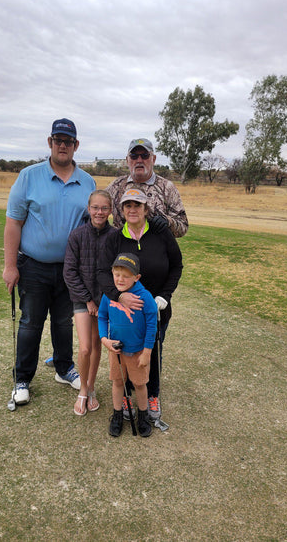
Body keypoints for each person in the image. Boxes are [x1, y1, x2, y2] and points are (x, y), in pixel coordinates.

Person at [3, 118, 96, 405]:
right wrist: (10, 266)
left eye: (68, 141)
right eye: (58, 140)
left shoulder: (88, 182)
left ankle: (64, 368)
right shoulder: (29, 176)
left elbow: (92, 226)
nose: (63, 145)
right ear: (50, 143)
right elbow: (13, 223)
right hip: (33, 265)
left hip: (71, 269)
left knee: (63, 322)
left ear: (76, 145)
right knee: (31, 322)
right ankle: (22, 378)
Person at [98, 187, 183, 422]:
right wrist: (118, 295)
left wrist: (165, 296)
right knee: (124, 351)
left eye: (138, 205)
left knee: (152, 350)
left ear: (146, 209)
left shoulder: (161, 234)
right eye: (128, 205)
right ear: (122, 210)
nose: (132, 209)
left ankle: (152, 394)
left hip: (156, 308)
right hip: (122, 313)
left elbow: (177, 265)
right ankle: (125, 394)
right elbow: (102, 273)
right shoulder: (115, 238)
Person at [63, 190, 115, 416]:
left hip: (103, 300)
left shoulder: (115, 237)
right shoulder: (76, 235)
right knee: (84, 347)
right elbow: (69, 272)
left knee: (96, 345)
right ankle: (82, 389)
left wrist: (103, 299)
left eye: (104, 208)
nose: (99, 212)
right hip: (82, 299)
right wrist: (87, 299)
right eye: (95, 207)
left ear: (110, 210)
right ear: (88, 209)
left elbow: (117, 272)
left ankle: (91, 387)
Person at [98, 253, 157, 437]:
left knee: (140, 385)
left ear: (136, 277)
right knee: (117, 382)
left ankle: (142, 415)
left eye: (126, 275)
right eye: (117, 275)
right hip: (116, 350)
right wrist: (104, 340)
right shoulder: (110, 295)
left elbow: (152, 324)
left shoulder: (145, 297)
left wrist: (147, 352)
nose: (120, 279)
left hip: (138, 352)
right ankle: (117, 415)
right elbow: (102, 316)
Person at [106, 138, 188, 238]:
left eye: (145, 156)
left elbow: (183, 226)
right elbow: (97, 213)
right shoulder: (116, 186)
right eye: (134, 156)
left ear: (153, 159)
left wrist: (168, 222)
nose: (139, 160)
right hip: (122, 250)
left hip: (156, 251)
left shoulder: (167, 187)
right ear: (127, 160)